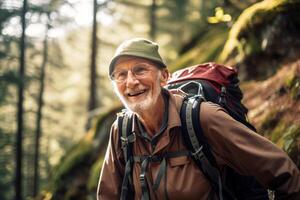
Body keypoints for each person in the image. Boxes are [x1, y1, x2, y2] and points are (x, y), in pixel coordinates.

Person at [97, 38, 300, 200]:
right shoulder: (122, 132)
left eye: (140, 70)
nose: (131, 82)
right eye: (121, 75)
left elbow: (282, 172)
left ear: (164, 77)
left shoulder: (202, 118)